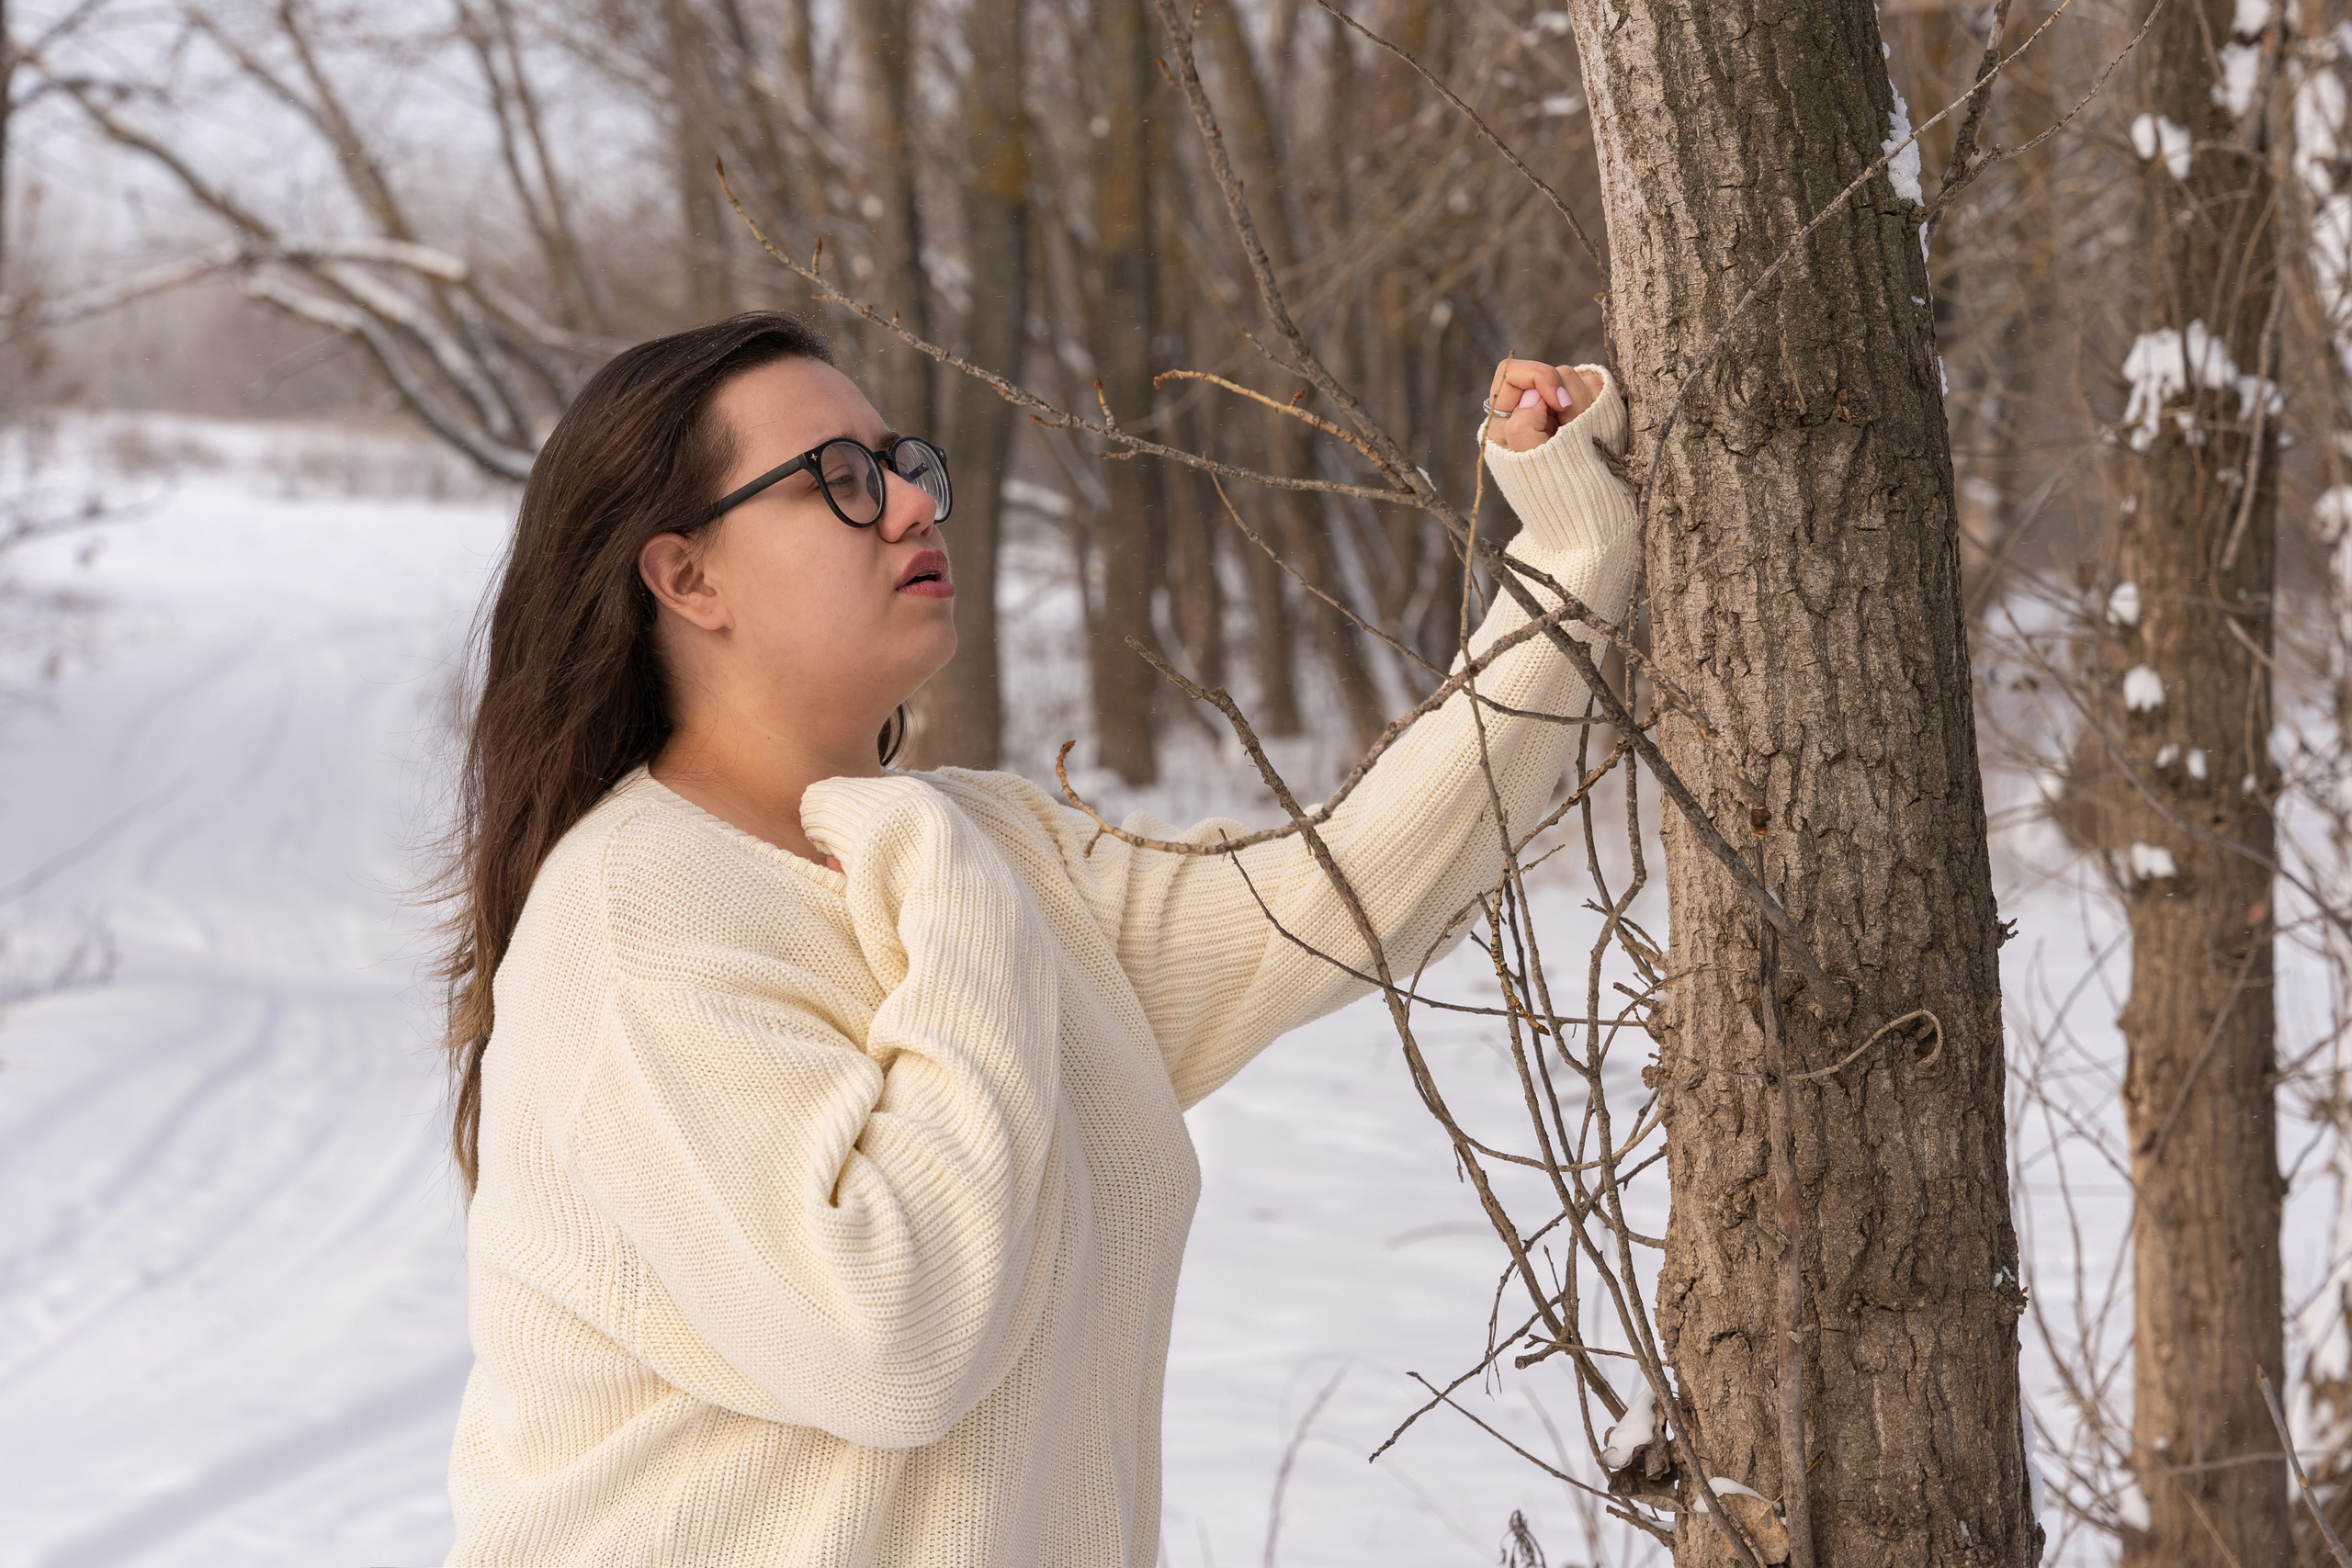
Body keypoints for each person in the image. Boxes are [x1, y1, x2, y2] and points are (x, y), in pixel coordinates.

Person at [435, 310, 1634, 1567]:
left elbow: (1339, 900)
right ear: (686, 578)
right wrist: (939, 875)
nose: (910, 505)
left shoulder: (989, 851)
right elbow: (893, 1339)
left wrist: (1570, 549)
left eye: (901, 463)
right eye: (839, 481)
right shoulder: (641, 916)